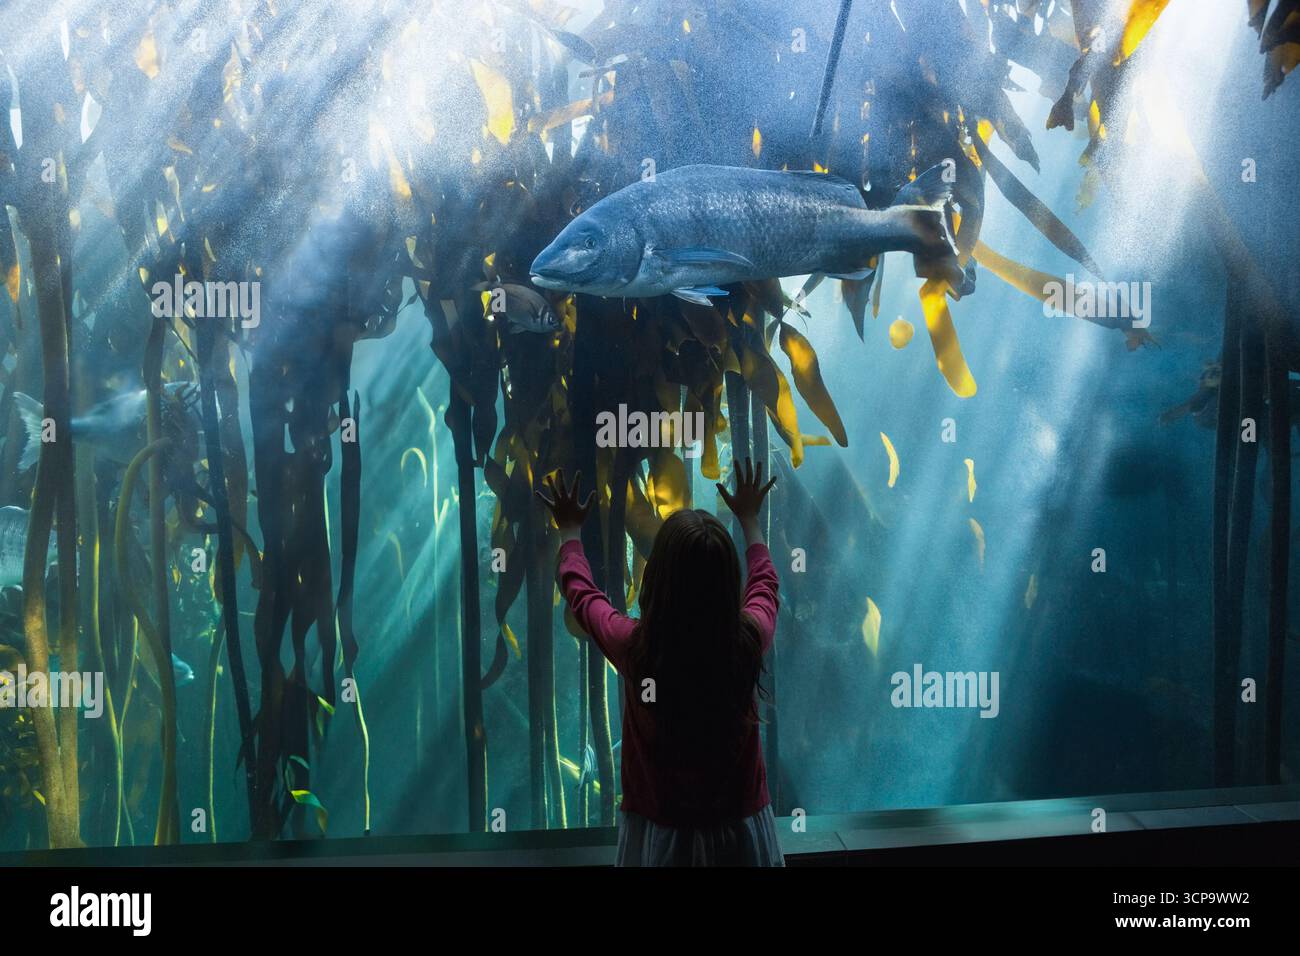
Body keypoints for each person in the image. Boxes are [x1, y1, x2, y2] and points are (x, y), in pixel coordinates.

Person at [537, 458, 783, 866]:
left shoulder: (636, 647)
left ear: (656, 579)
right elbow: (766, 585)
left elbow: (582, 596)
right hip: (742, 833)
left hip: (664, 837)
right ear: (727, 583)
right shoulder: (746, 640)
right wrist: (750, 519)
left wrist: (570, 533)